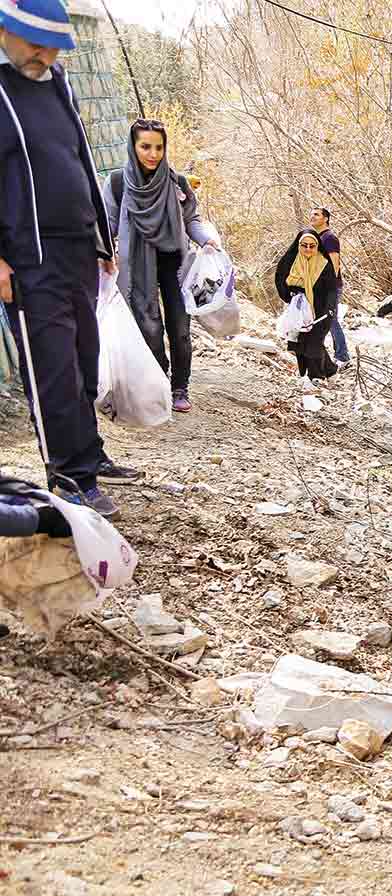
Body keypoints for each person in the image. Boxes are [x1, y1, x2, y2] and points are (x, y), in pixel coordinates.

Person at [0, 0, 132, 517]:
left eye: (52, 44)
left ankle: (89, 454)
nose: (43, 53)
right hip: (30, 258)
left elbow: (81, 157)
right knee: (51, 367)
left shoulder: (58, 83)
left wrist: (102, 236)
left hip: (78, 249)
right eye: (35, 42)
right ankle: (69, 478)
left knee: (82, 357)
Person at [103, 117, 221, 415]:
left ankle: (180, 386)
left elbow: (192, 219)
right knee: (148, 328)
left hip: (176, 266)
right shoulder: (118, 184)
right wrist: (103, 253)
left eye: (158, 147)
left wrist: (206, 240)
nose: (153, 154)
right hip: (137, 269)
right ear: (133, 147)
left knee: (180, 329)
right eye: (145, 146)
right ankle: (159, 379)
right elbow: (107, 224)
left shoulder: (177, 182)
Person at [273, 229, 338, 389]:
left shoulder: (324, 263)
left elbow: (331, 289)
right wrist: (288, 296)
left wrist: (330, 308)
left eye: (312, 246)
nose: (308, 249)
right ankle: (329, 370)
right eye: (304, 246)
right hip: (298, 308)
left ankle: (316, 376)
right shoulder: (290, 261)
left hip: (321, 309)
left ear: (317, 247)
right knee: (299, 342)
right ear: (298, 245)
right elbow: (280, 279)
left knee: (314, 341)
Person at [308, 207, 349, 369]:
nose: (312, 216)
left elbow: (334, 264)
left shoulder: (329, 238)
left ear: (325, 219)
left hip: (330, 287)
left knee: (331, 321)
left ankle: (343, 357)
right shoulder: (318, 238)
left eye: (316, 214)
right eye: (311, 214)